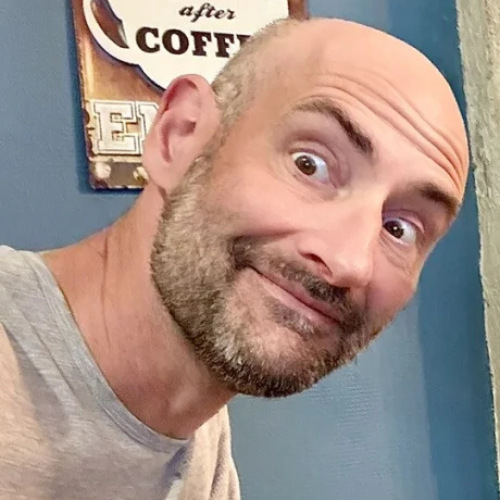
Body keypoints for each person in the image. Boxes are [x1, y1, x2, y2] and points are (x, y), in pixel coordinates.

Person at [0, 16, 468, 500]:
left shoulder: (199, 443)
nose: (351, 262)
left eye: (399, 229)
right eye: (309, 165)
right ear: (179, 137)